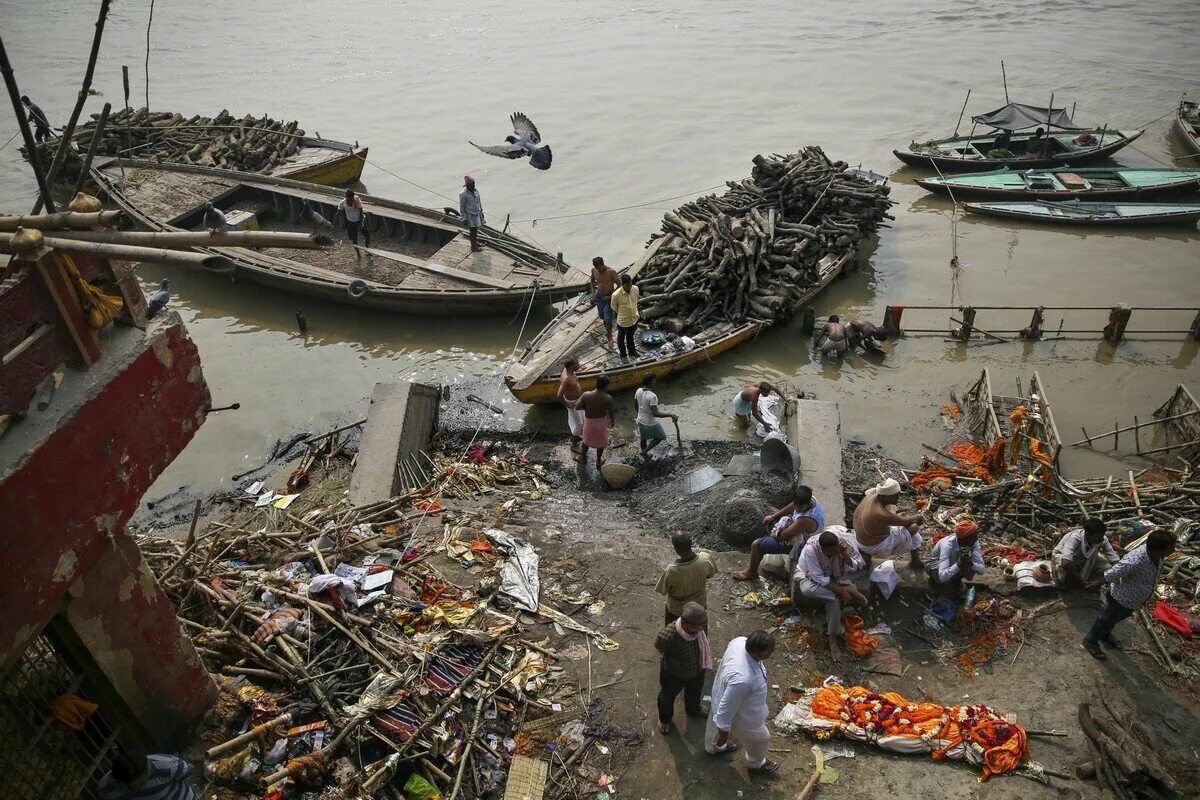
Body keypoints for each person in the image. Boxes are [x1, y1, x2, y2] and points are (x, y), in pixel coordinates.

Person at [1082, 530, 1176, 661]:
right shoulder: (1136, 559)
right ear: (1156, 549)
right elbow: (1116, 571)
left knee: (1115, 619)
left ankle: (1104, 634)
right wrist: (1097, 582)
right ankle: (1090, 640)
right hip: (1121, 598)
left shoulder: (1158, 556)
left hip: (1134, 600)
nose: (1173, 550)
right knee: (1106, 619)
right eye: (1171, 548)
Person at [705, 631, 780, 775]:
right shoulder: (743, 679)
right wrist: (723, 733)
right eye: (770, 650)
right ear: (760, 654)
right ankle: (756, 764)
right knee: (761, 740)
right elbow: (726, 709)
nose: (773, 651)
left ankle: (713, 748)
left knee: (713, 726)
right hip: (743, 717)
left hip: (724, 694)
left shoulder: (739, 642)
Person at [795, 530, 866, 660]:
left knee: (833, 602)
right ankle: (847, 587)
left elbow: (855, 565)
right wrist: (841, 592)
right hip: (809, 577)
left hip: (832, 578)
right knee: (807, 591)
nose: (835, 553)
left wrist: (844, 555)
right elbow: (818, 578)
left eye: (836, 549)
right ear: (823, 549)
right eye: (832, 551)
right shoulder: (811, 549)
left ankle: (832, 639)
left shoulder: (842, 544)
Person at [734, 484, 825, 581]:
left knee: (755, 545)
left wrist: (773, 534)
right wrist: (772, 516)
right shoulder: (811, 499)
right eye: (796, 505)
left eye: (800, 508)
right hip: (801, 533)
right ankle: (765, 543)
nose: (796, 509)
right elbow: (792, 506)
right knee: (774, 523)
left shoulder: (806, 519)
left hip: (802, 546)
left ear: (807, 504)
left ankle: (751, 573)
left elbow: (783, 537)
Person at [655, 602, 713, 735]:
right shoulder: (668, 635)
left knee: (695, 692)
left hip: (697, 669)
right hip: (674, 673)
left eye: (704, 623)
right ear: (687, 624)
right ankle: (664, 719)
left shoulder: (700, 628)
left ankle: (694, 710)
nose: (703, 627)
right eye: (700, 625)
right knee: (667, 696)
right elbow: (659, 647)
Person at [852, 478, 924, 570]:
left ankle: (915, 560)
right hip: (872, 546)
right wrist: (918, 517)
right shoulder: (881, 513)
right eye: (894, 496)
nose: (898, 498)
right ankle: (915, 561)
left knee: (907, 525)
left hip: (861, 538)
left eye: (898, 495)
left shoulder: (872, 495)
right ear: (883, 496)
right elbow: (908, 521)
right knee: (914, 528)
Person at [656, 533, 718, 624]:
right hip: (699, 603)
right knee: (698, 626)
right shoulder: (705, 558)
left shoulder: (672, 570)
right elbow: (709, 575)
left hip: (678, 609)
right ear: (691, 543)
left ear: (676, 549)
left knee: (676, 630)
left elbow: (663, 591)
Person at [99, 749, 199, 800]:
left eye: (138, 783)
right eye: (129, 786)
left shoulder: (164, 766)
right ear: (119, 781)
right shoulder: (107, 789)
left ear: (146, 772)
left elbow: (189, 769)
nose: (135, 788)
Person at [925, 519, 986, 599]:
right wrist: (958, 564)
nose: (976, 539)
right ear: (963, 539)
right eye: (973, 537)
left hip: (954, 562)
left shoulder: (974, 542)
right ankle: (933, 583)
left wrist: (971, 563)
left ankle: (955, 580)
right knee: (942, 579)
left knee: (969, 568)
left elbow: (981, 569)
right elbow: (942, 576)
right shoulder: (947, 545)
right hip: (935, 565)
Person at [1052, 518, 1118, 590]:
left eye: (1102, 536)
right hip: (1063, 555)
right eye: (1098, 537)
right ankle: (1063, 581)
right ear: (1087, 534)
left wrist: (1100, 581)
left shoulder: (1102, 539)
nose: (1101, 539)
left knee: (1107, 567)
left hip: (1083, 559)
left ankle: (1089, 584)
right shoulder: (1075, 537)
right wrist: (1080, 581)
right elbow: (1066, 561)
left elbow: (1115, 560)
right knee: (1064, 567)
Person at [564, 374, 614, 467]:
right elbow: (611, 413)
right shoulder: (608, 398)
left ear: (596, 383)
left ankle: (583, 459)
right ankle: (598, 461)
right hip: (601, 423)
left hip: (589, 422)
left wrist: (587, 407)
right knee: (601, 443)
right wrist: (613, 421)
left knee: (586, 441)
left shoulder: (586, 395)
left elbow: (578, 407)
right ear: (606, 386)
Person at [634, 373, 676, 457]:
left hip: (640, 419)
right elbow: (655, 413)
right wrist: (670, 415)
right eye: (654, 380)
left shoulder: (638, 390)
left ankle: (645, 456)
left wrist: (642, 414)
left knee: (643, 438)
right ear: (651, 382)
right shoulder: (652, 396)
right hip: (650, 422)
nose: (654, 382)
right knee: (661, 436)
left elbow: (636, 406)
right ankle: (644, 452)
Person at [557, 358, 585, 457]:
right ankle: (573, 445)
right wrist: (568, 404)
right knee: (579, 424)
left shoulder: (567, 371)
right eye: (576, 364)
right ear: (570, 366)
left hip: (577, 400)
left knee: (581, 420)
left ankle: (576, 437)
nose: (578, 365)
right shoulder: (567, 379)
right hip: (572, 402)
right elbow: (559, 395)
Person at [610, 273, 641, 359]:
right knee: (621, 338)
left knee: (630, 337)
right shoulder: (616, 295)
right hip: (623, 321)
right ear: (622, 284)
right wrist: (623, 313)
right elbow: (614, 307)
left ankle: (632, 352)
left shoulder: (635, 289)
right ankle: (623, 355)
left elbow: (636, 301)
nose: (629, 287)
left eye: (630, 284)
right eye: (627, 285)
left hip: (634, 319)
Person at [590, 257, 619, 345]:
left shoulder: (611, 271)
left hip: (609, 298)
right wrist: (593, 293)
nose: (600, 269)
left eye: (600, 267)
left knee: (608, 318)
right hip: (599, 297)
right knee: (602, 317)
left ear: (603, 264)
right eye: (598, 268)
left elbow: (620, 286)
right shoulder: (594, 271)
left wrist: (610, 296)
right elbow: (592, 282)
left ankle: (610, 337)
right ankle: (608, 332)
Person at [459, 176, 485, 252]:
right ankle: (473, 247)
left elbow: (479, 202)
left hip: (477, 213)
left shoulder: (476, 191)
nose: (473, 186)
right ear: (467, 185)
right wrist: (464, 218)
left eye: (474, 184)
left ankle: (475, 242)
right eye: (471, 185)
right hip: (469, 215)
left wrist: (481, 212)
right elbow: (462, 207)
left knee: (475, 230)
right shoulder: (463, 195)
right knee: (472, 231)